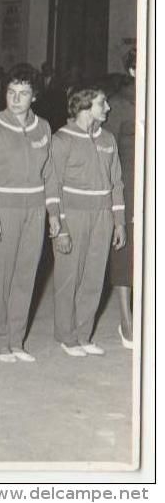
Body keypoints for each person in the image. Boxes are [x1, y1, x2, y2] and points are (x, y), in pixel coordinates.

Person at [0, 66, 61, 363]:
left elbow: (49, 173)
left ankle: (16, 339)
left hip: (34, 210)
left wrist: (53, 212)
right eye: (11, 93)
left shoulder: (44, 127)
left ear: (34, 96)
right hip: (3, 207)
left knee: (25, 275)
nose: (16, 99)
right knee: (0, 275)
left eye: (23, 94)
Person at [51, 87, 127, 357]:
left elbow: (116, 182)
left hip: (102, 216)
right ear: (84, 107)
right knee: (69, 276)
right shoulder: (62, 139)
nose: (107, 108)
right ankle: (67, 336)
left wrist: (119, 222)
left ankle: (84, 334)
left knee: (94, 276)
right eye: (102, 103)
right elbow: (53, 185)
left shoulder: (108, 139)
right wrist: (58, 225)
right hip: (73, 213)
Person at [106, 65, 136, 350]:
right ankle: (126, 323)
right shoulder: (118, 103)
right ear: (131, 69)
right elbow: (105, 150)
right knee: (124, 256)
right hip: (128, 190)